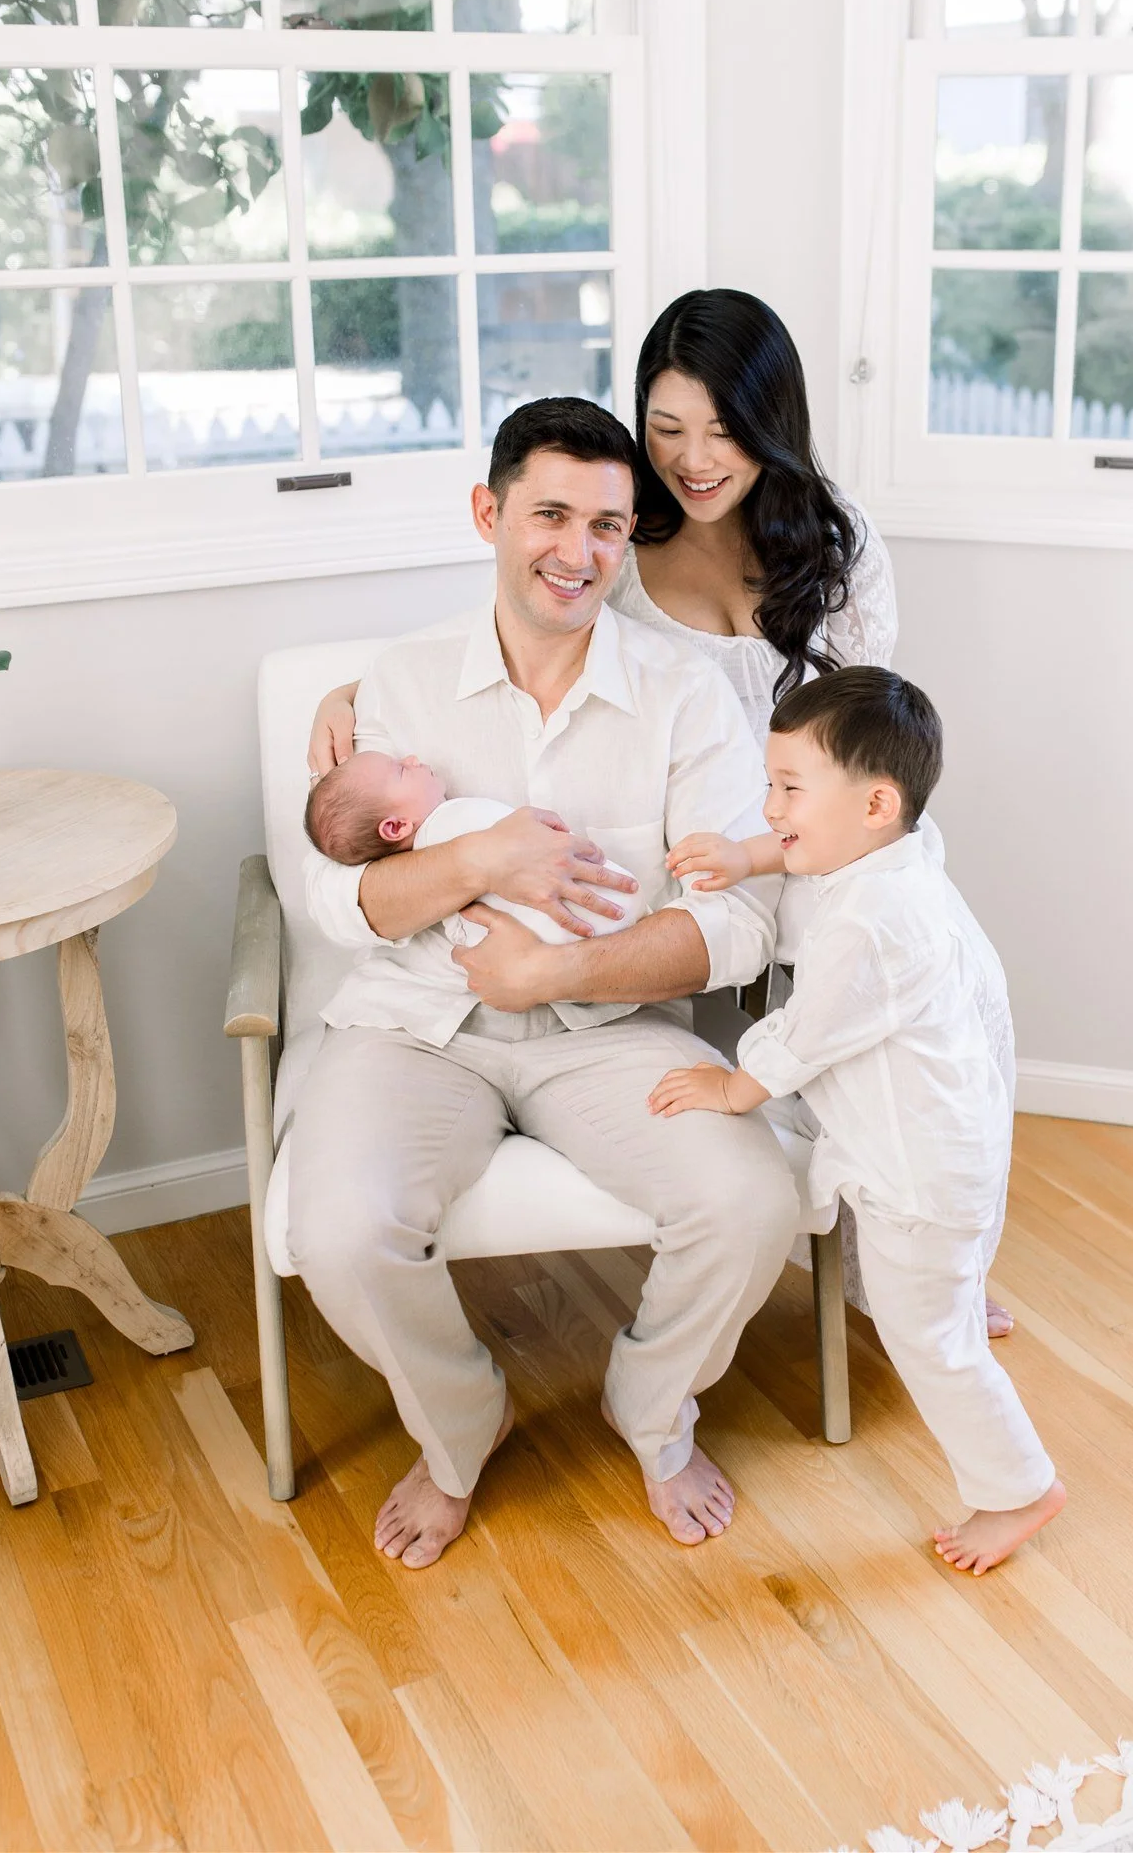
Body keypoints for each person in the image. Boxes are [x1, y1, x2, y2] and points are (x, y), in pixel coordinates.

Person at [305, 287, 1014, 1337]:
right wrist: (356, 699)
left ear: (773, 424)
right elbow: (540, 629)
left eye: (723, 431)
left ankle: (921, 1249)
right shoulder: (625, 546)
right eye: (668, 429)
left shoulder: (838, 541)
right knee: (838, 983)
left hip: (827, 832)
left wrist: (833, 849)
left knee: (943, 980)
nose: (694, 458)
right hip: (714, 835)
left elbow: (866, 718)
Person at [291, 396, 801, 1571]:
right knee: (340, 1227)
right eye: (552, 515)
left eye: (609, 527)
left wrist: (556, 966)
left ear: (630, 540)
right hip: (418, 1026)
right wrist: (479, 859)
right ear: (490, 512)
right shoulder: (399, 683)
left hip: (609, 1031)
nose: (578, 552)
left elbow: (737, 919)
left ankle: (653, 1406)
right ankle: (459, 1425)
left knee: (751, 1202)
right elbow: (336, 899)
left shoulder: (686, 694)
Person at [649, 668, 1065, 1574]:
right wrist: (750, 854)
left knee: (933, 1345)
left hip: (916, 1173)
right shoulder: (892, 852)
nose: (770, 806)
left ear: (875, 803)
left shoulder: (872, 926)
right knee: (924, 1297)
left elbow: (803, 1035)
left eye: (789, 790)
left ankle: (1018, 1489)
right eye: (770, 783)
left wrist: (731, 1087)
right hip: (927, 1134)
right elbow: (800, 852)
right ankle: (953, 1294)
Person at [304, 749, 643, 945]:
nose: (411, 758)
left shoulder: (431, 859)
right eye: (400, 771)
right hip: (611, 922)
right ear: (396, 826)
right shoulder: (456, 819)